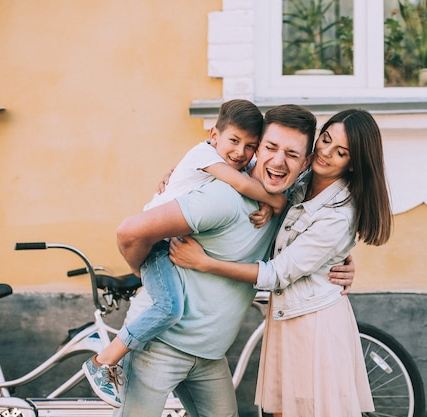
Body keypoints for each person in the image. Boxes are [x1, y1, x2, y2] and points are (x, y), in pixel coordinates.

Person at [113, 104, 355, 417]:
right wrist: (145, 274)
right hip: (159, 347)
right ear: (258, 147)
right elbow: (129, 233)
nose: (278, 161)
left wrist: (342, 258)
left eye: (292, 155)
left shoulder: (284, 200)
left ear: (306, 161)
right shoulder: (221, 198)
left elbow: (310, 234)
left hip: (210, 355)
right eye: (270, 147)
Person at [169, 108, 393, 417]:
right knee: (282, 411)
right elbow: (241, 159)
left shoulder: (340, 214)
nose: (325, 153)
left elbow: (277, 273)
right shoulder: (301, 175)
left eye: (340, 152)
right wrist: (183, 173)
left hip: (314, 325)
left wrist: (204, 263)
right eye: (325, 140)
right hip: (287, 317)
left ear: (353, 164)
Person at [82, 99, 287, 408]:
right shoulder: (211, 162)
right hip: (161, 251)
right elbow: (242, 185)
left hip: (209, 352)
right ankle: (102, 362)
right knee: (168, 308)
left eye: (250, 146)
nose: (241, 152)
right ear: (213, 135)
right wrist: (276, 202)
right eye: (234, 141)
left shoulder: (234, 164)